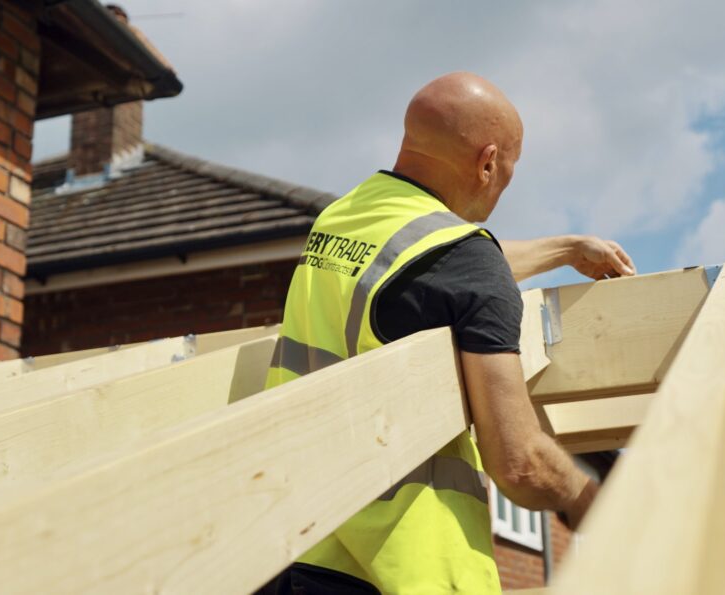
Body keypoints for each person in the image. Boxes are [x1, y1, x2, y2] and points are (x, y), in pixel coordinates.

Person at [256, 72, 636, 595]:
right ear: (487, 163)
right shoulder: (467, 262)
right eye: (507, 169)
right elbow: (519, 461)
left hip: (292, 547)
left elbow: (442, 267)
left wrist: (568, 249)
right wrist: (587, 500)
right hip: (404, 569)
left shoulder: (341, 220)